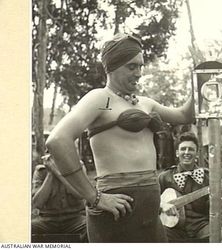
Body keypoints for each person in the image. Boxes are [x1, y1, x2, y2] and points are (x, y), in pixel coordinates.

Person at [45, 33, 194, 242]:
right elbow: (58, 140)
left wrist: (200, 78)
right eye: (131, 67)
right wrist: (94, 197)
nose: (139, 73)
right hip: (117, 206)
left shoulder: (145, 103)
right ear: (112, 67)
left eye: (141, 66)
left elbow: (185, 115)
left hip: (150, 204)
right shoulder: (100, 98)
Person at [158, 132, 222, 242]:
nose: (186, 152)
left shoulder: (209, 176)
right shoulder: (165, 177)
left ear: (197, 153)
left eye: (191, 149)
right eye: (183, 149)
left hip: (201, 226)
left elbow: (212, 209)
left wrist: (216, 199)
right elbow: (151, 202)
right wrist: (163, 205)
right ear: (177, 153)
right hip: (172, 228)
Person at [31, 156, 87, 242]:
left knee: (90, 228)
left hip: (75, 219)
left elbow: (80, 195)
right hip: (47, 220)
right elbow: (37, 203)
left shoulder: (78, 167)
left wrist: (57, 173)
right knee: (29, 228)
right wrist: (50, 174)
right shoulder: (41, 171)